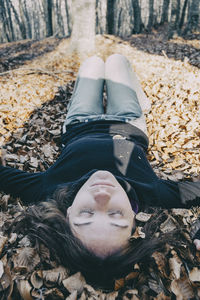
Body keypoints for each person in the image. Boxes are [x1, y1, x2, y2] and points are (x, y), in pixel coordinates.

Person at [0, 54, 200, 288]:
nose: (102, 196)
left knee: (92, 62)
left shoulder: (50, 189)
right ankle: (139, 98)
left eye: (86, 214)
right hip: (128, 122)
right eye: (116, 214)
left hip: (80, 122)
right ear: (135, 223)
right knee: (116, 60)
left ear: (68, 214)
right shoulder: (152, 192)